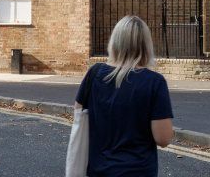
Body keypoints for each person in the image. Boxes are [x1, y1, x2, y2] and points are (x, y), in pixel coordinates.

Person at [73, 15, 173, 176]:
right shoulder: (155, 82)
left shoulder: (95, 73)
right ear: (146, 45)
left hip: (99, 169)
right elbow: (163, 138)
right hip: (138, 171)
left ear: (115, 42)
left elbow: (79, 112)